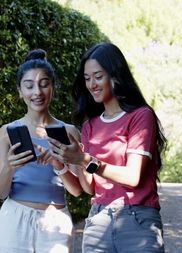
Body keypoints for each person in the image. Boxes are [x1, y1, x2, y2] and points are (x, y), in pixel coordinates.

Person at [48, 42, 167, 252]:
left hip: (137, 219)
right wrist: (69, 161)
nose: (92, 84)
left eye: (98, 76)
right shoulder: (90, 126)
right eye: (87, 78)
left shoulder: (140, 116)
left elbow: (133, 177)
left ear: (115, 75)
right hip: (98, 221)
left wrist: (84, 159)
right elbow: (89, 188)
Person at [0, 49, 82, 253]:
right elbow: (0, 192)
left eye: (44, 84)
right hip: (14, 220)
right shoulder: (7, 132)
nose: (37, 93)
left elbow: (77, 191)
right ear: (19, 90)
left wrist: (58, 165)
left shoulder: (69, 132)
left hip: (56, 223)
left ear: (52, 87)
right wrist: (10, 167)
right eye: (29, 85)